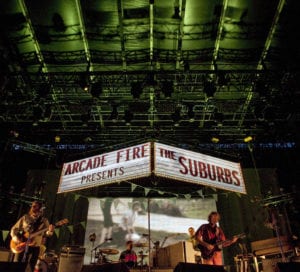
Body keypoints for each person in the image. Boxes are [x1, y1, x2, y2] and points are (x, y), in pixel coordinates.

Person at [10, 201, 55, 272]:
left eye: (35, 206)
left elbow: (46, 234)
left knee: (31, 266)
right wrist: (16, 239)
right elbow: (14, 229)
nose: (33, 208)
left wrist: (50, 231)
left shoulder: (44, 220)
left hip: (35, 246)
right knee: (17, 265)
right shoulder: (25, 217)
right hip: (22, 245)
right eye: (32, 206)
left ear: (40, 209)